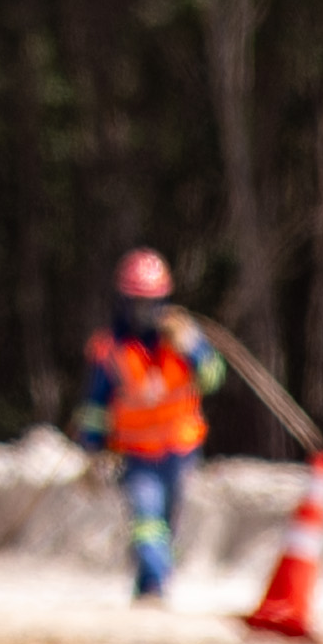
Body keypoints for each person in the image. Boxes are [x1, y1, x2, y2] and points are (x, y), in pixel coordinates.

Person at [76, 250, 221, 600]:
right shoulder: (111, 349)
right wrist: (93, 447)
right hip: (138, 454)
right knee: (146, 520)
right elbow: (96, 405)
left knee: (166, 524)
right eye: (138, 303)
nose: (145, 311)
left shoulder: (184, 337)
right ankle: (157, 582)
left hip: (180, 451)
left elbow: (213, 378)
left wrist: (193, 349)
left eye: (152, 302)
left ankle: (147, 586)